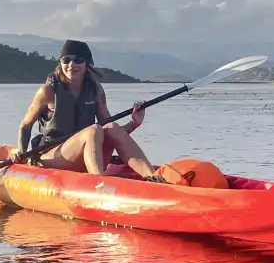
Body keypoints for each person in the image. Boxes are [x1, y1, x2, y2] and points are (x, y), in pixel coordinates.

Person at [11, 39, 165, 180]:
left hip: (86, 156)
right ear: (60, 62)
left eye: (78, 60)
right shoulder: (48, 91)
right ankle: (99, 182)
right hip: (52, 156)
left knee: (110, 126)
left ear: (87, 64)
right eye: (66, 60)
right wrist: (21, 150)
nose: (71, 65)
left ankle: (153, 177)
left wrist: (134, 124)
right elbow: (25, 125)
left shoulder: (95, 89)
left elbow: (111, 133)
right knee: (93, 130)